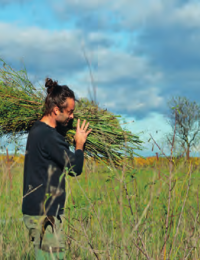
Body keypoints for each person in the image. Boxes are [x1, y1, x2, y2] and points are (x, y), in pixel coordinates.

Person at [22, 78, 92, 259]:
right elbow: (74, 168)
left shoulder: (36, 130)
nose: (72, 117)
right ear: (55, 110)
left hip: (34, 211)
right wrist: (79, 144)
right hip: (46, 214)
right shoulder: (49, 137)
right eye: (69, 112)